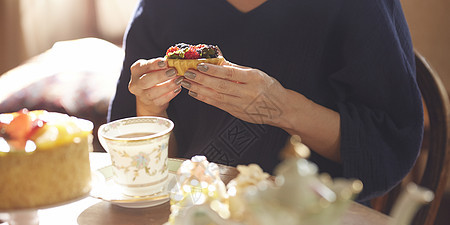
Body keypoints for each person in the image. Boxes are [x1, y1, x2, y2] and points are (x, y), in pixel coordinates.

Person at [108, 0, 423, 204]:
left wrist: (283, 108)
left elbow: (388, 143)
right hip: (189, 221)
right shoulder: (161, 8)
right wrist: (151, 109)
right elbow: (138, 169)